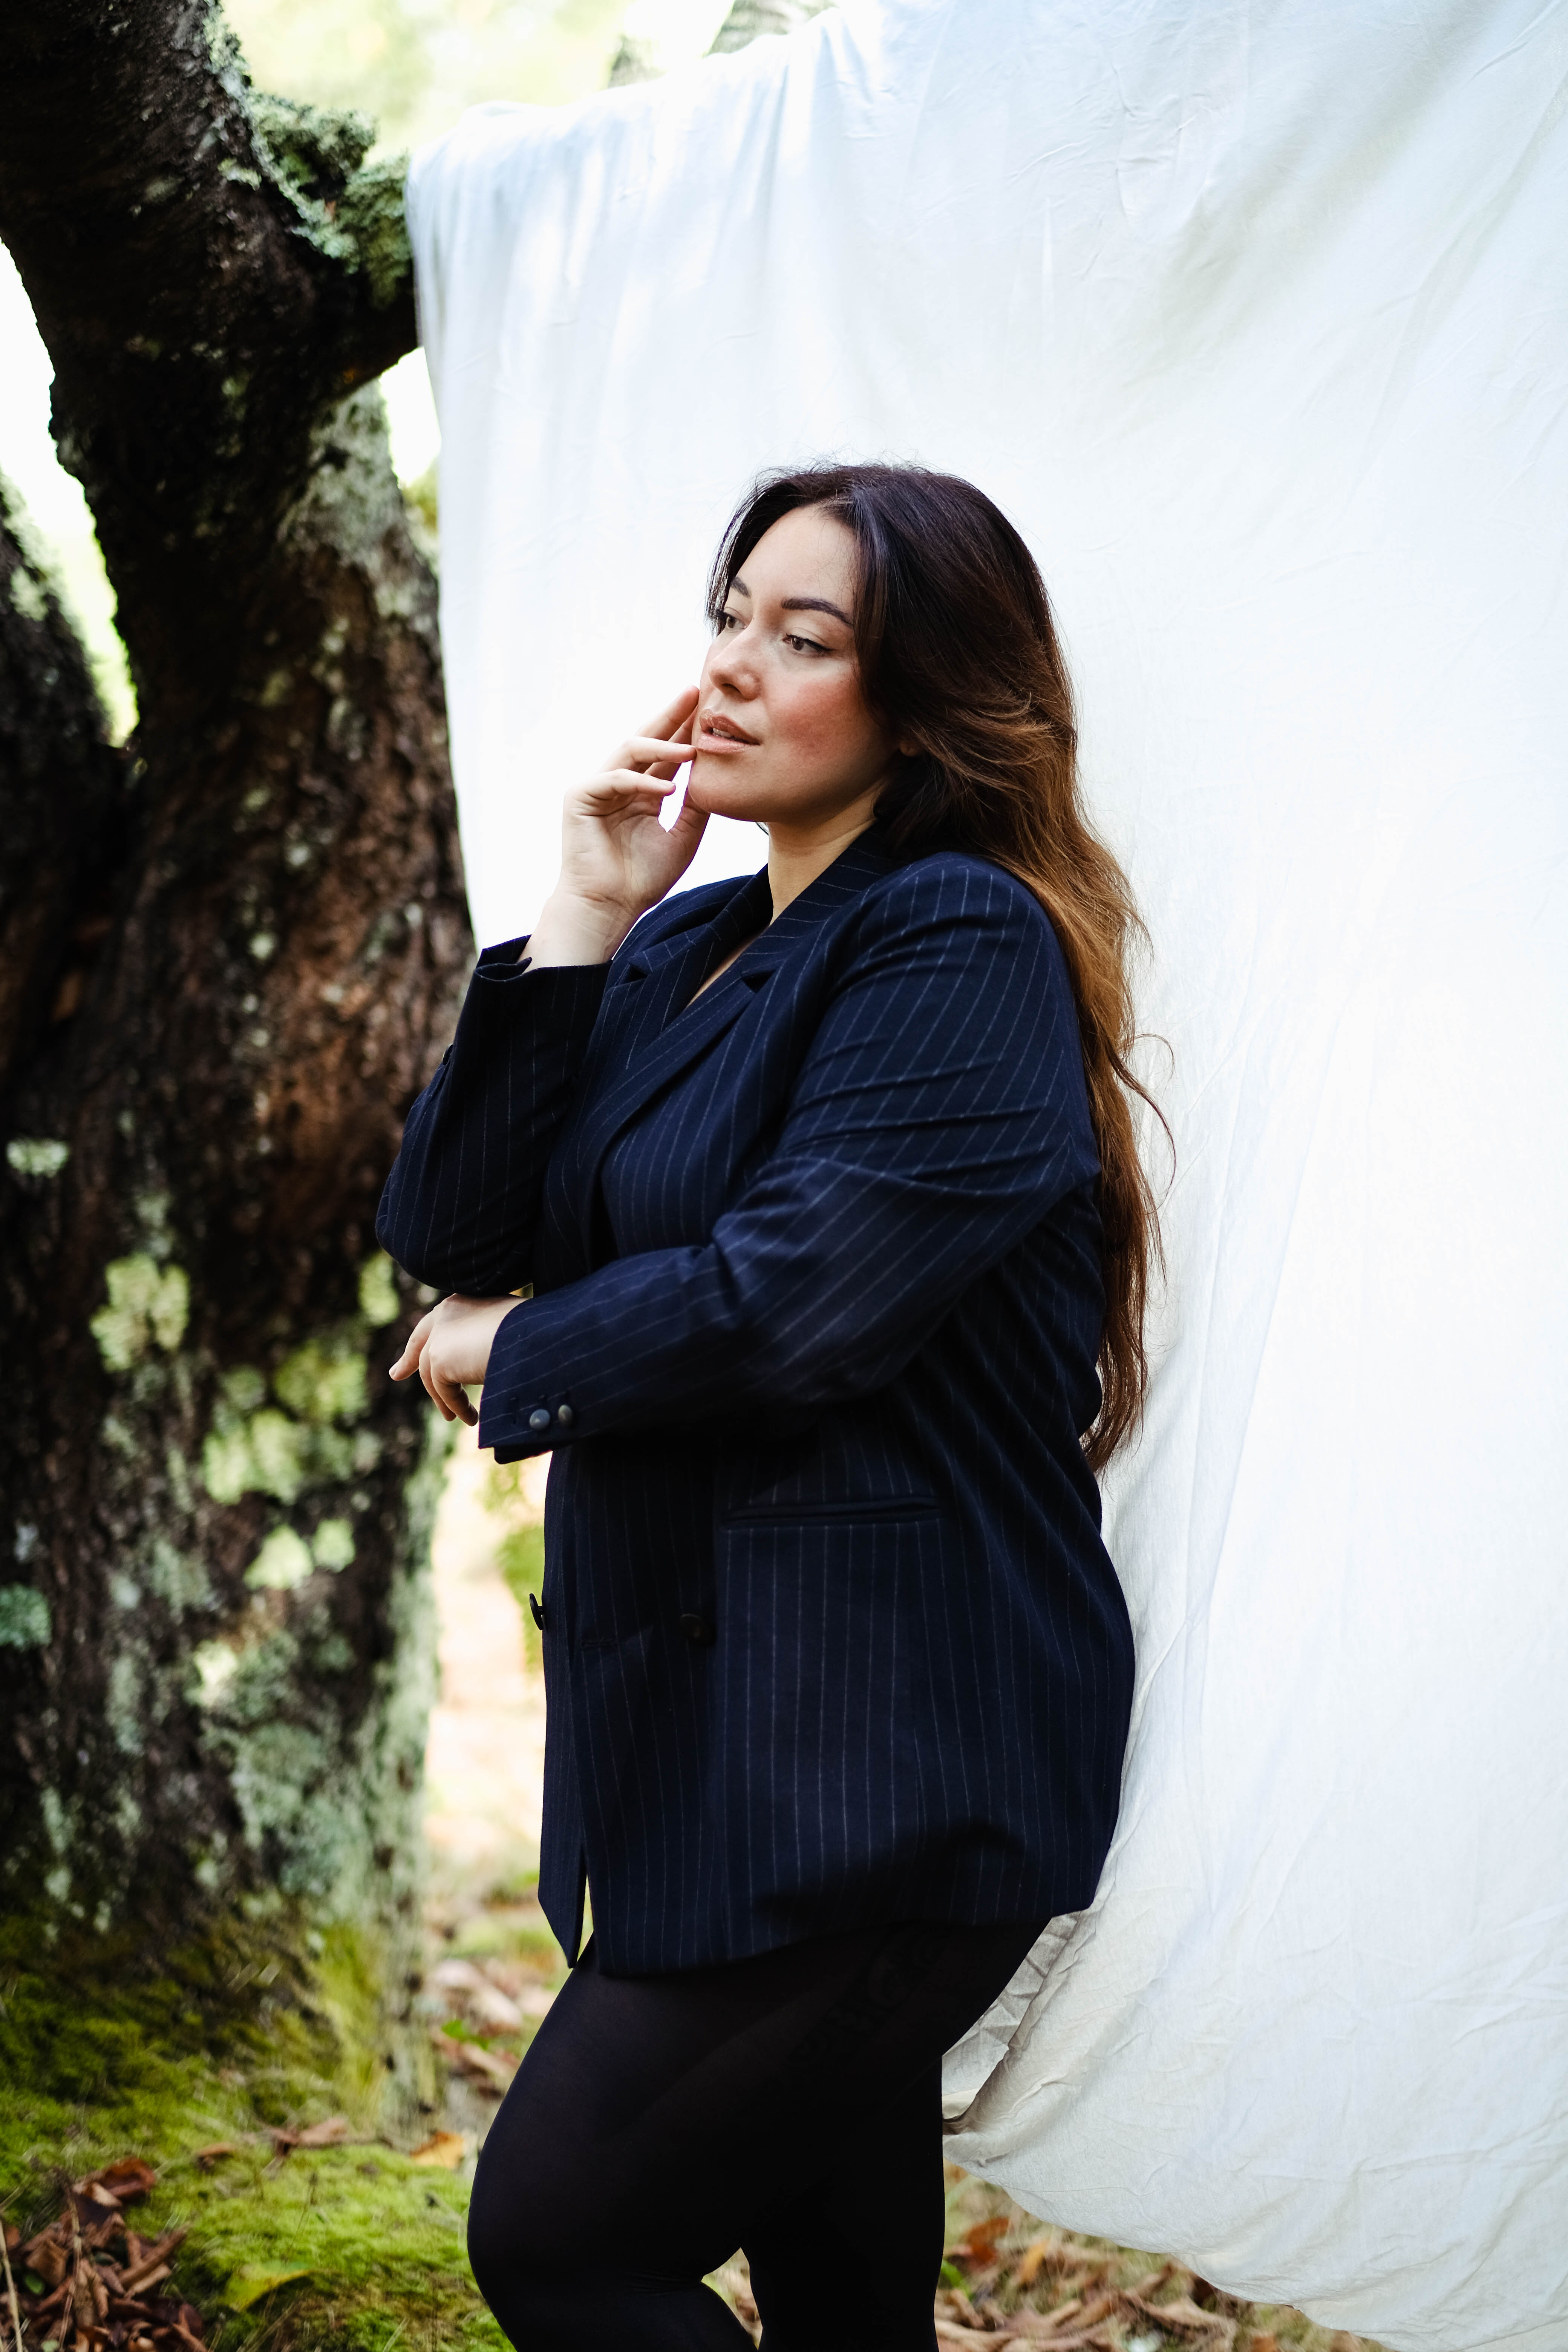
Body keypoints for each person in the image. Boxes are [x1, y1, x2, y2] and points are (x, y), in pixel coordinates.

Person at [377, 462, 1159, 2352]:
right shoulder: (686, 939)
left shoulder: (956, 938)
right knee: (840, 2297)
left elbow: (792, 1303)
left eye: (800, 638)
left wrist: (514, 1350)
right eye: (729, 613)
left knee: (563, 2242)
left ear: (927, 699)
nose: (727, 667)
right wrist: (577, 914)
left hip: (881, 1758)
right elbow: (455, 1224)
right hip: (715, 1747)